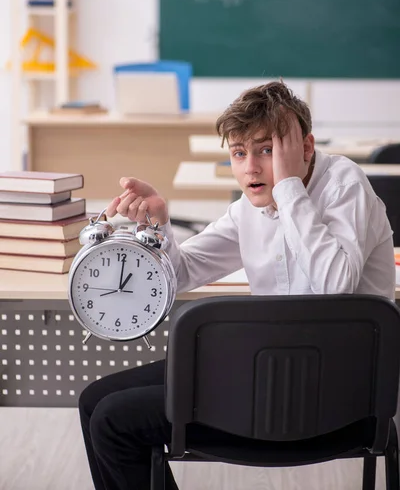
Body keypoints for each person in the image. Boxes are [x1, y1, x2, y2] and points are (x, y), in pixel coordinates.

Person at [78, 81, 395, 490]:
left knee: (113, 421)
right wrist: (158, 226)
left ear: (307, 147)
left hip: (340, 397)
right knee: (93, 401)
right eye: (239, 153)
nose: (251, 168)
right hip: (264, 374)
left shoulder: (344, 183)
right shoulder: (247, 209)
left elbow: (336, 284)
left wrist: (288, 188)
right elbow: (184, 272)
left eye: (267, 150)